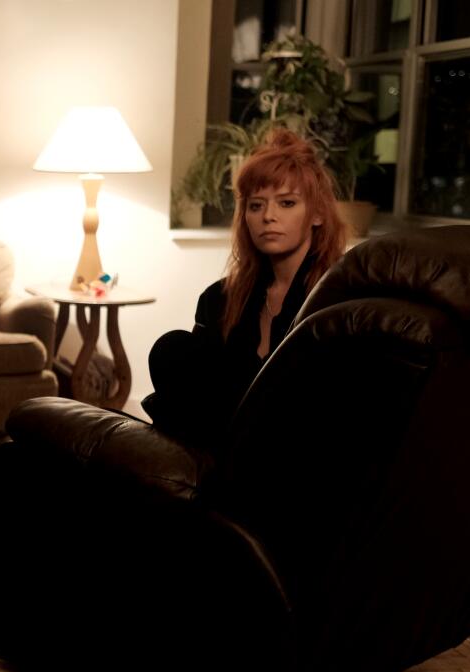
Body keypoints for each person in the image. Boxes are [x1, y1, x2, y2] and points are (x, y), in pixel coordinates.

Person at [143, 128, 348, 450]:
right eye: (256, 206)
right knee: (172, 348)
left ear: (318, 214)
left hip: (298, 444)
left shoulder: (339, 298)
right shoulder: (219, 298)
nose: (269, 216)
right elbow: (200, 391)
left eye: (287, 203)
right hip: (222, 441)